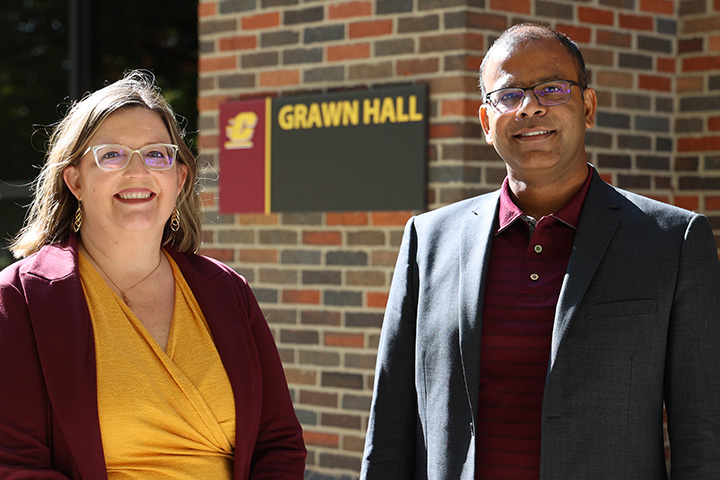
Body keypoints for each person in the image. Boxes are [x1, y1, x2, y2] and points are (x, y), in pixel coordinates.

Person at [361, 23, 720, 479]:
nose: (529, 107)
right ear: (487, 123)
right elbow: (390, 424)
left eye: (551, 88)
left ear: (587, 107)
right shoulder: (427, 241)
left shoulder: (672, 241)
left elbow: (704, 438)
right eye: (508, 95)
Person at [0, 70, 306, 479]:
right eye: (111, 154)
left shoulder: (227, 290)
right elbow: (16, 465)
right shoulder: (21, 299)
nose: (137, 172)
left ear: (179, 178)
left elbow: (279, 443)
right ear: (74, 180)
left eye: (156, 154)